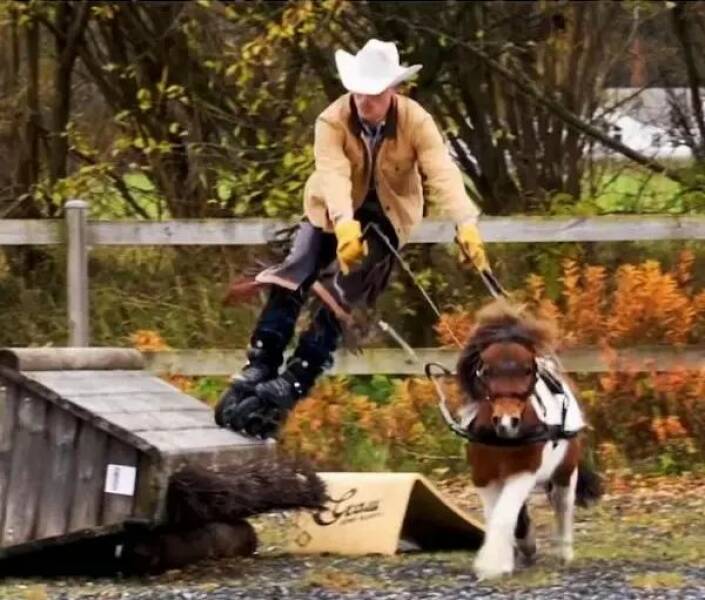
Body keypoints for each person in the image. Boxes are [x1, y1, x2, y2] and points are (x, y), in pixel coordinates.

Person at [215, 39, 490, 439]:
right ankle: (263, 357)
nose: (364, 101)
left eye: (373, 94)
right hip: (330, 207)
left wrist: (465, 223)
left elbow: (442, 173)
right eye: (358, 92)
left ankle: (298, 374)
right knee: (296, 268)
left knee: (340, 293)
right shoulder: (331, 120)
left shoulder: (416, 121)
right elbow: (333, 174)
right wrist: (344, 224)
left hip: (389, 217)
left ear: (392, 91)